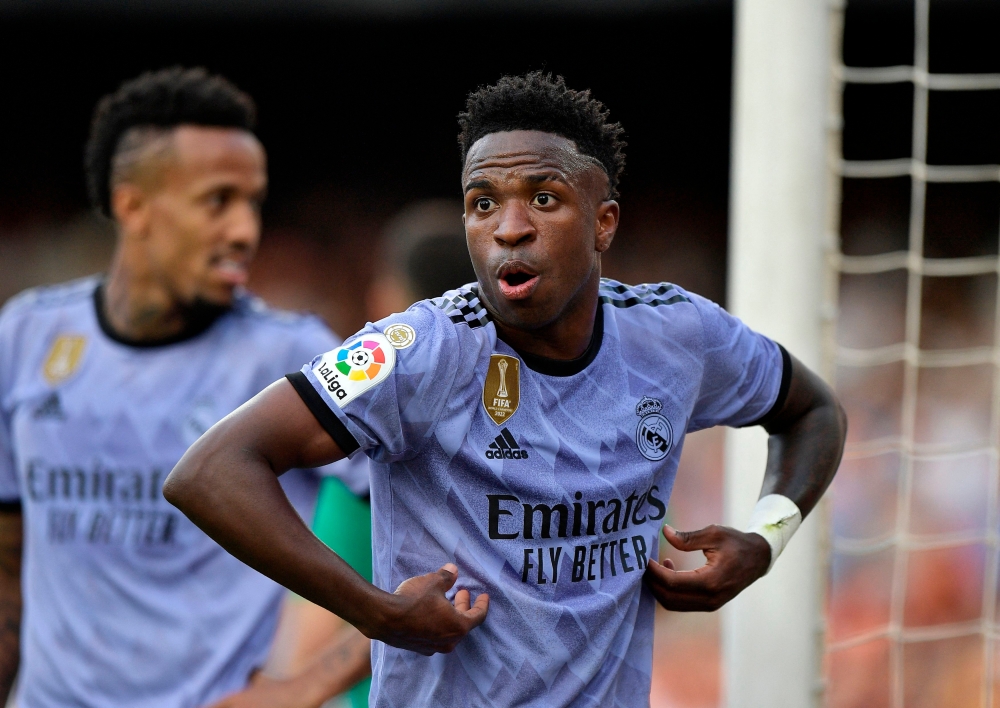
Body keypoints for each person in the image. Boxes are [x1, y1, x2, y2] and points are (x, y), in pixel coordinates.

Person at [164, 72, 848, 706]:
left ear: (604, 222)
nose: (508, 227)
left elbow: (813, 410)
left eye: (543, 200)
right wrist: (377, 611)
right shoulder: (414, 351)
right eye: (482, 203)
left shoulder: (679, 336)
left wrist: (766, 538)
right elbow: (208, 471)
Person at [0, 67, 368, 707]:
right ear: (132, 205)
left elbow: (450, 533)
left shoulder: (292, 353)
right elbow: (7, 562)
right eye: (218, 200)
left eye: (253, 203)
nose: (245, 231)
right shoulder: (26, 337)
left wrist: (305, 687)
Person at [216, 199, 475, 708]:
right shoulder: (558, 435)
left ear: (390, 299)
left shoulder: (375, 454)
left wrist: (293, 689)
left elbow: (310, 643)